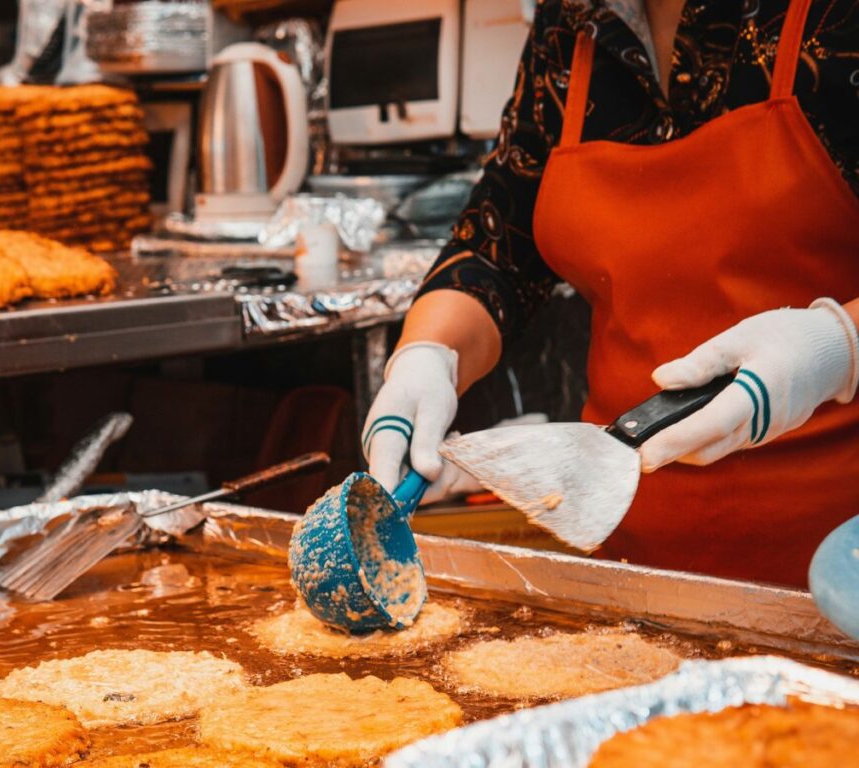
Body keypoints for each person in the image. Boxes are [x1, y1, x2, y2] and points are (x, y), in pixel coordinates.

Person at [362, 0, 859, 588]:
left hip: (836, 578)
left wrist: (838, 346)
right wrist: (427, 357)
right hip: (627, 566)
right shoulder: (572, 22)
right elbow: (499, 246)